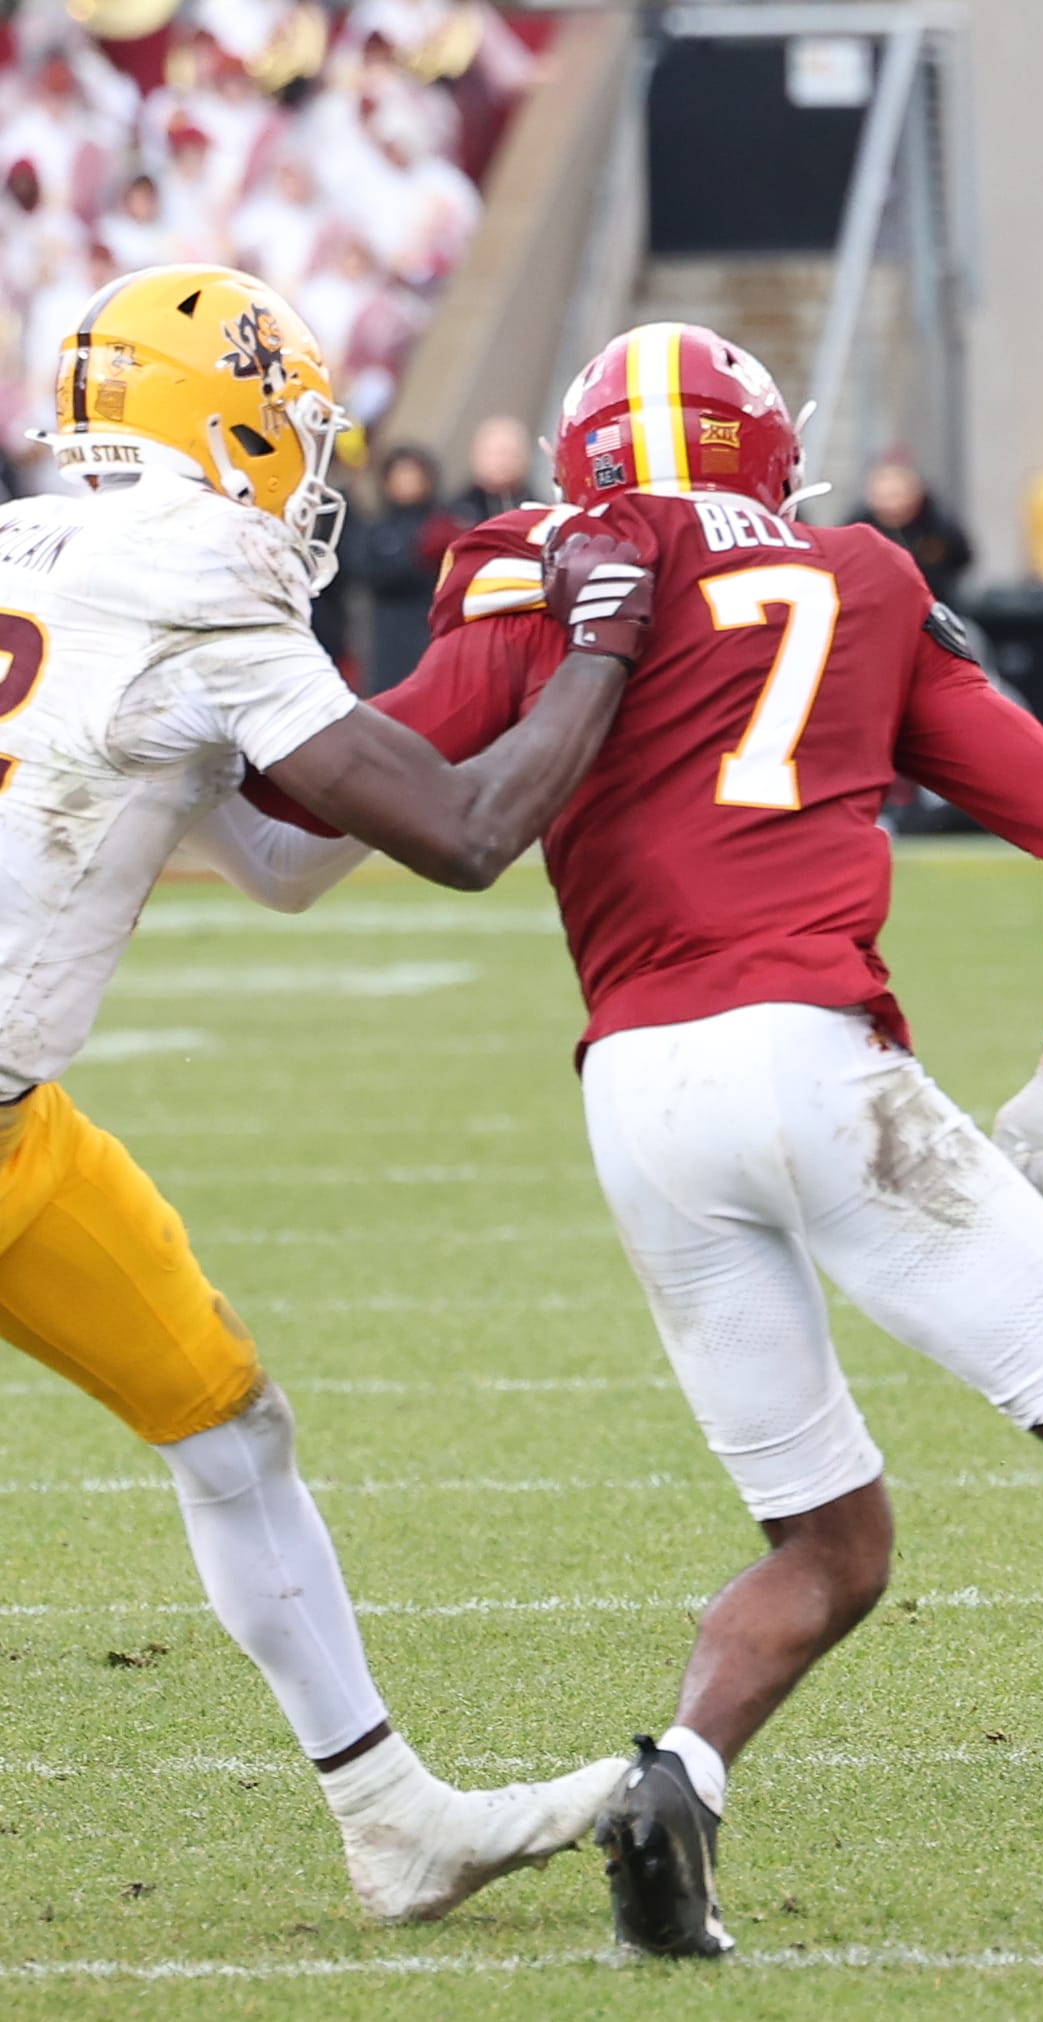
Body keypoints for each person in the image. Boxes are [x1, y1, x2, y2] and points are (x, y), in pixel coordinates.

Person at [245, 322, 1043, 1955]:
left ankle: (681, 1769)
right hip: (820, 1056)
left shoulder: (539, 566)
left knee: (829, 1541)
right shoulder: (863, 575)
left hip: (637, 1095)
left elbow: (346, 772)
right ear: (770, 452)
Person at [0, 263, 640, 1925]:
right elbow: (467, 834)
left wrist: (456, 682)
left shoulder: (44, 550)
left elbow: (281, 861)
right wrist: (588, 647)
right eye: (281, 414)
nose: (302, 453)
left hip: (19, 1123)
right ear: (204, 410)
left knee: (226, 1414)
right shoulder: (199, 569)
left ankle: (390, 1815)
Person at [338, 443, 450, 694]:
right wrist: (416, 555)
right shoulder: (375, 529)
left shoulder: (444, 523)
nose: (407, 481)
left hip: (435, 634)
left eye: (414, 474)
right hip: (387, 642)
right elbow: (364, 569)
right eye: (400, 474)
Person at [851, 452, 974, 607]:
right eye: (884, 497)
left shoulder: (937, 522)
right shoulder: (859, 525)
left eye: (896, 496)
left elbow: (962, 557)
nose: (891, 506)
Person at [450, 411, 531, 524]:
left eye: (512, 454)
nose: (504, 462)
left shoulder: (538, 513)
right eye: (498, 453)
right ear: (476, 455)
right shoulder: (451, 514)